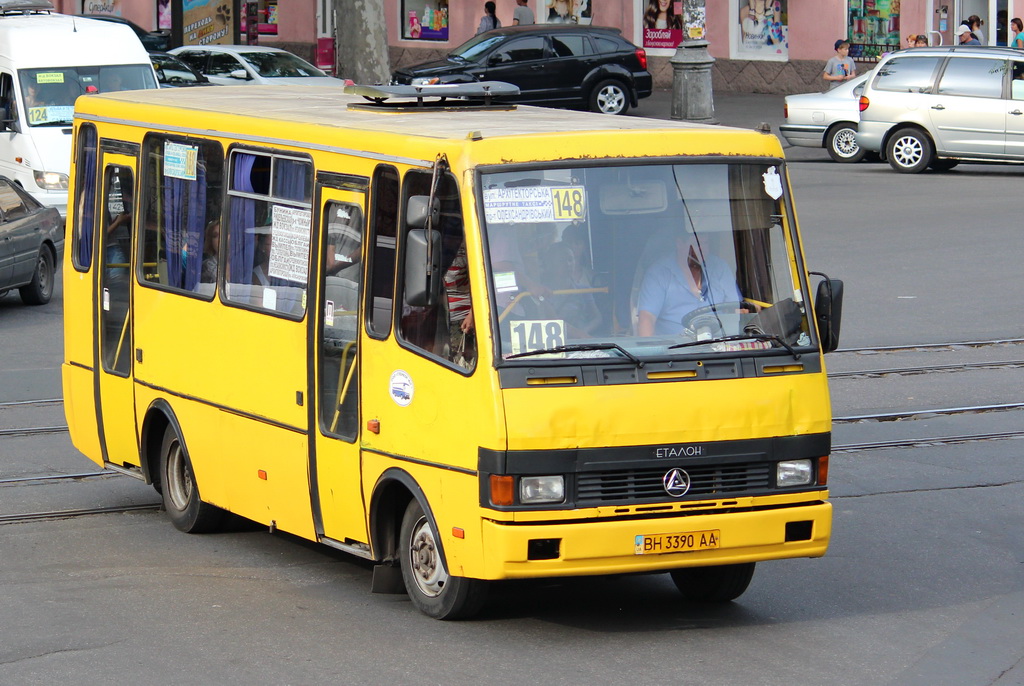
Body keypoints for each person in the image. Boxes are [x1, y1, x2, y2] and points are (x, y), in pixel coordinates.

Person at [636, 232, 742, 337]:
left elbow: (737, 307)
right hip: (675, 348)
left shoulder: (720, 267)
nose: (702, 249)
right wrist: (652, 351)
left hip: (718, 344)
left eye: (705, 243)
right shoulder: (658, 273)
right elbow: (647, 317)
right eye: (696, 244)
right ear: (679, 244)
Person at [200, 219, 220, 283]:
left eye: (225, 234)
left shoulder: (243, 264)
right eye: (215, 236)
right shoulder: (205, 267)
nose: (220, 239)